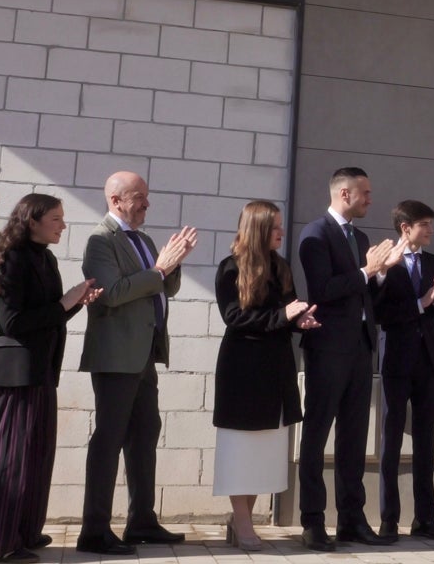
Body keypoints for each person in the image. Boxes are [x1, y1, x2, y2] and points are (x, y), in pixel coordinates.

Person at [0, 195, 102, 562]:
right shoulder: (11, 256)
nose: (62, 225)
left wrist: (76, 302)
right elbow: (13, 323)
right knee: (11, 457)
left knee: (36, 454)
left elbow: (48, 317)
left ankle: (25, 531)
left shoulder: (44, 257)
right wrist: (65, 303)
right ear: (32, 220)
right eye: (55, 218)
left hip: (42, 368)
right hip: (17, 372)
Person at [76, 172, 197, 555]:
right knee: (109, 437)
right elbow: (112, 294)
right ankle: (94, 529)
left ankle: (141, 520)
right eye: (139, 197)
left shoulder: (142, 240)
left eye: (146, 196)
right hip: (115, 355)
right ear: (116, 200)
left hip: (144, 353)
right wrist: (159, 270)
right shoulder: (100, 240)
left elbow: (165, 287)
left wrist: (171, 266)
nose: (147, 203)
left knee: (145, 433)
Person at [296, 167, 404, 551]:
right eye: (366, 193)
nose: (371, 200)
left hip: (360, 348)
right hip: (327, 348)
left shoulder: (360, 237)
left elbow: (365, 295)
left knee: (355, 437)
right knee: (316, 434)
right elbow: (323, 290)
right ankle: (312, 521)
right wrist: (367, 271)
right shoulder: (315, 234)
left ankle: (352, 520)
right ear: (345, 194)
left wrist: (379, 276)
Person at [212, 201, 319, 552]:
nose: (281, 232)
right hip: (243, 368)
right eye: (275, 226)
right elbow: (234, 318)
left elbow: (285, 310)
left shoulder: (280, 266)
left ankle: (240, 520)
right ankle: (243, 522)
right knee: (240, 447)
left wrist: (299, 318)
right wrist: (282, 315)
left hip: (275, 366)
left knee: (264, 449)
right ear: (258, 228)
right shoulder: (231, 268)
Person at [374, 201, 434, 541]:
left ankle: (426, 519)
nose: (431, 231)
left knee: (426, 441)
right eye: (425, 225)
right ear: (406, 228)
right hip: (396, 358)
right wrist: (420, 303)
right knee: (391, 440)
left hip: (429, 361)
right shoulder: (386, 261)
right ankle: (389, 520)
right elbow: (380, 312)